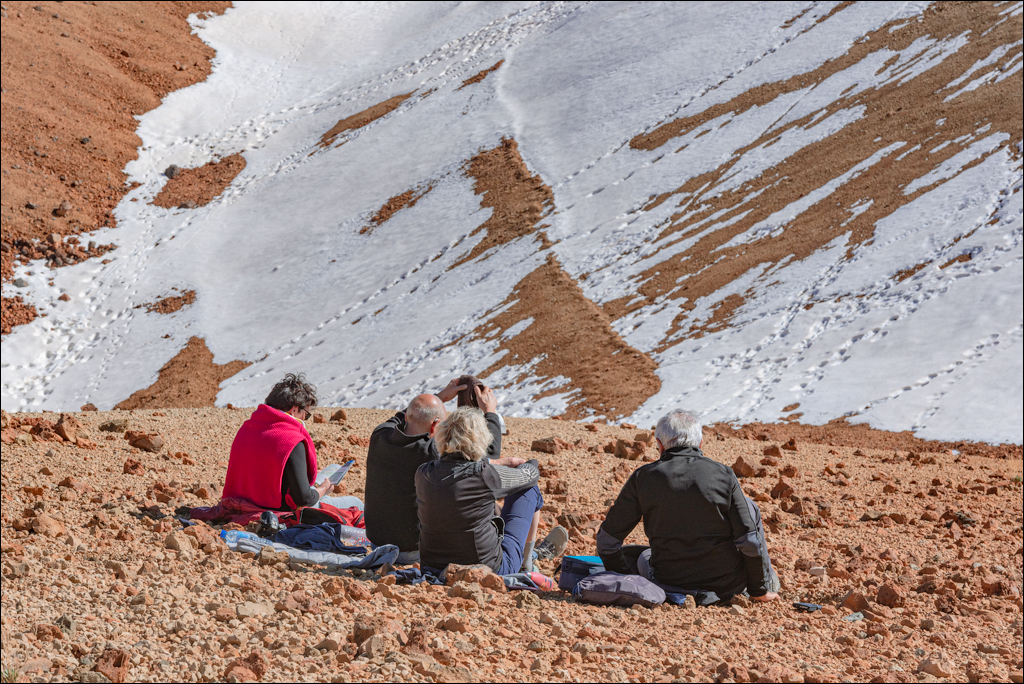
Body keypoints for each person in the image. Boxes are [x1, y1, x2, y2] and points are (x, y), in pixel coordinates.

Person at [596, 409, 780, 603]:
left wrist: (624, 575)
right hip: (726, 586)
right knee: (749, 506)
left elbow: (607, 542)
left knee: (643, 556)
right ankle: (765, 587)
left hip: (668, 582)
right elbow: (749, 541)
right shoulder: (724, 474)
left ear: (659, 444)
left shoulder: (643, 478)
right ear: (700, 443)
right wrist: (758, 590)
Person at [415, 406, 566, 574]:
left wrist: (499, 463)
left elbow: (457, 473)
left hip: (433, 568)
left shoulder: (423, 472)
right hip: (487, 570)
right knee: (528, 489)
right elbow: (531, 475)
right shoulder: (485, 475)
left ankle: (529, 557)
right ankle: (526, 561)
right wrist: (528, 463)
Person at [364, 379, 502, 562]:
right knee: (489, 505)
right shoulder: (432, 452)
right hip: (414, 551)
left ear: (407, 417)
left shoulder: (380, 435)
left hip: (377, 544)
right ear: (435, 425)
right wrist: (490, 412)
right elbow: (487, 450)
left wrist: (440, 397)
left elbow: (405, 414)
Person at [222, 373, 359, 512]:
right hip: (277, 510)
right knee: (356, 502)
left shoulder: (247, 428)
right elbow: (303, 498)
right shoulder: (291, 439)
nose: (305, 419)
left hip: (240, 503)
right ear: (294, 409)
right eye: (306, 414)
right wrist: (324, 489)